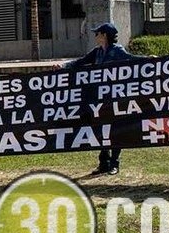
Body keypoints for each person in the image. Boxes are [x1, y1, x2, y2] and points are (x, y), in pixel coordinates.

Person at [56, 22, 148, 176]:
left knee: (115, 129)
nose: (95, 36)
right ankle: (103, 163)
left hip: (114, 97)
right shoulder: (97, 52)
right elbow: (80, 62)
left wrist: (150, 60)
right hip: (100, 98)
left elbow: (131, 59)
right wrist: (64, 66)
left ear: (104, 35)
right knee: (101, 129)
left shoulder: (116, 51)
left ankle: (114, 163)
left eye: (97, 33)